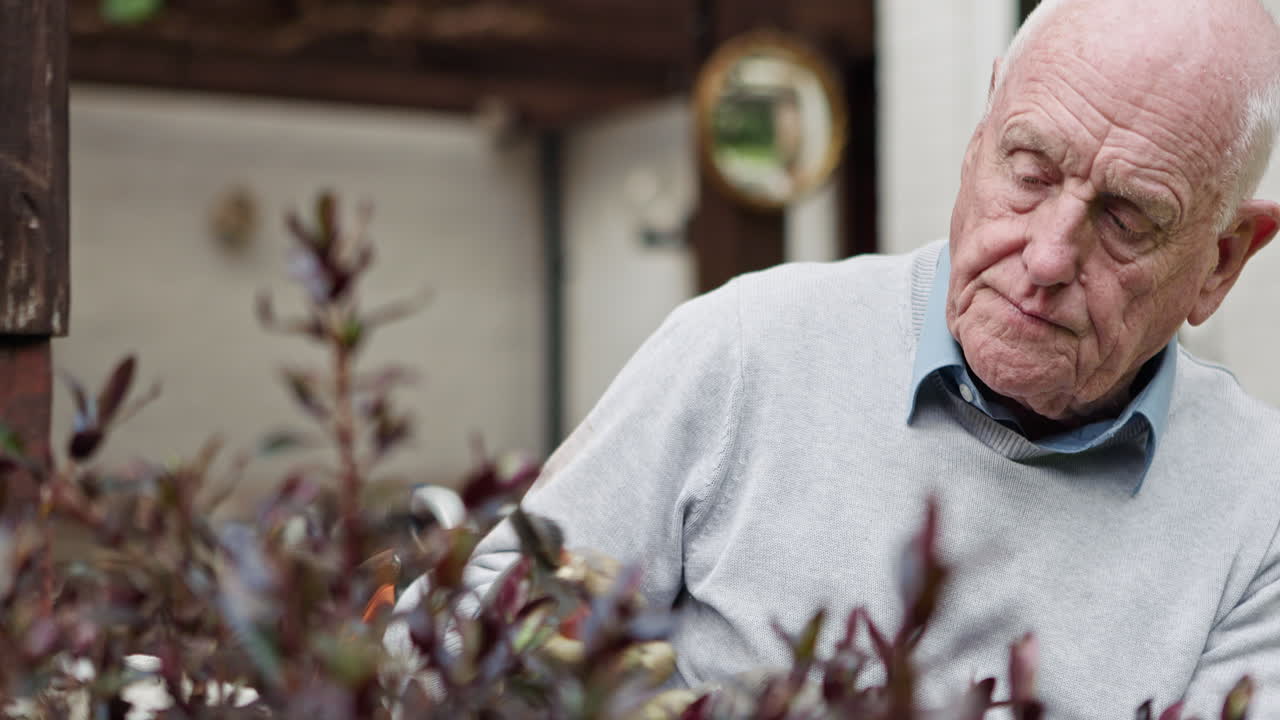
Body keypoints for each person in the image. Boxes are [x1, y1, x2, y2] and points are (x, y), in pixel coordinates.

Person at [460, 0, 1280, 716]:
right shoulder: (749, 345)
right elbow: (474, 630)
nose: (1046, 257)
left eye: (1127, 221)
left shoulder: (1260, 512)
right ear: (979, 137)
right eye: (1029, 172)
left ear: (1222, 261)